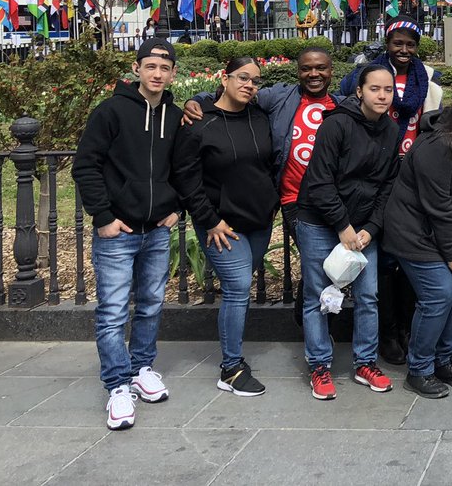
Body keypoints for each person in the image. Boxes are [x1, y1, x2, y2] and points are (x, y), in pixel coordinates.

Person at [183, 47, 343, 325]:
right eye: (306, 68)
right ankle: (313, 331)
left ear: (332, 71)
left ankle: (310, 322)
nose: (314, 74)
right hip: (295, 200)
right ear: (297, 72)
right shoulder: (280, 97)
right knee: (318, 268)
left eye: (321, 68)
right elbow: (232, 93)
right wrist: (195, 99)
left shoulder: (342, 104)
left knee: (327, 267)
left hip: (332, 200)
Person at [72, 38, 182, 431]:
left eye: (164, 68)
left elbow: (183, 167)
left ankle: (141, 368)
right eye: (150, 66)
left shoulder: (175, 115)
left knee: (151, 304)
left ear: (173, 74)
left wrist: (176, 208)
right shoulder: (111, 111)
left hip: (157, 229)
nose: (157, 74)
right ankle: (118, 385)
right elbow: (86, 165)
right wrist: (103, 216)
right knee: (114, 311)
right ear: (137, 69)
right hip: (117, 230)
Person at [381, 78, 452, 399]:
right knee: (439, 293)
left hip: (445, 234)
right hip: (413, 233)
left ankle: (444, 360)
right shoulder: (437, 145)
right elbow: (439, 208)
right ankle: (419, 368)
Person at [172, 57, 279, 398]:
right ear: (225, 78)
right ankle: (231, 368)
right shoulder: (199, 123)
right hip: (221, 225)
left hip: (259, 222)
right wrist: (210, 220)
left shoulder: (260, 118)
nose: (250, 85)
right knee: (237, 286)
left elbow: (268, 165)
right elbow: (187, 179)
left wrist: (272, 204)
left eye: (256, 81)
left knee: (239, 287)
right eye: (243, 78)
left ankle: (233, 356)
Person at [341, 16, 443, 365]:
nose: (404, 49)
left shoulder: (427, 78)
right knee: (383, 258)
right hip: (377, 172)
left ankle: (406, 326)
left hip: (413, 175)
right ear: (387, 44)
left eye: (410, 44)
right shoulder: (368, 74)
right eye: (398, 43)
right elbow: (341, 100)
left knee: (411, 254)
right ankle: (388, 331)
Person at [296, 64, 401, 400]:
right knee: (317, 296)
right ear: (359, 91)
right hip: (319, 221)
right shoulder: (337, 124)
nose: (382, 95)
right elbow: (319, 181)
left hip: (362, 227)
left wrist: (371, 228)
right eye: (375, 89)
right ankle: (319, 365)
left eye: (388, 89)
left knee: (368, 296)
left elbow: (388, 186)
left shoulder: (391, 130)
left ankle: (365, 362)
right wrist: (342, 225)